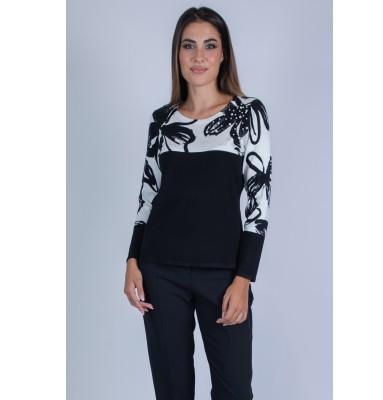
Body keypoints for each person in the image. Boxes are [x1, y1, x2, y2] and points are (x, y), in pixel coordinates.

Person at [123, 6, 271, 400]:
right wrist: (132, 259)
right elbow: (148, 194)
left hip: (223, 274)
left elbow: (258, 200)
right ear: (178, 54)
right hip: (160, 270)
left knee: (234, 390)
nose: (199, 56)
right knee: (172, 391)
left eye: (209, 45)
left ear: (223, 54)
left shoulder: (247, 114)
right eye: (189, 46)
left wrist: (244, 278)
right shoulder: (162, 121)